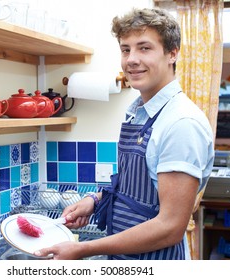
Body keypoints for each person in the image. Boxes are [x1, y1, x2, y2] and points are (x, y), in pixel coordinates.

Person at [34, 7, 214, 260]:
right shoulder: (140, 112)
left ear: (172, 53)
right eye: (125, 49)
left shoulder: (181, 123)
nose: (131, 59)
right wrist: (94, 201)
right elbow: (134, 191)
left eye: (144, 48)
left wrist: (84, 249)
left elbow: (170, 227)